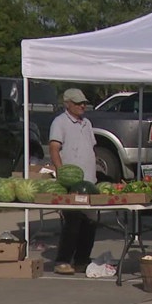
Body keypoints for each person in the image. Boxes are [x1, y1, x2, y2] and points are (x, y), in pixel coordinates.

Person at [49, 88, 97, 275]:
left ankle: (82, 260)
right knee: (73, 222)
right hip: (72, 184)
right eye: (78, 103)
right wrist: (61, 172)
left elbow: (91, 148)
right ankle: (62, 260)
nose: (82, 106)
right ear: (67, 104)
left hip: (89, 181)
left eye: (84, 103)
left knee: (90, 222)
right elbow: (54, 148)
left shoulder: (87, 123)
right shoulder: (60, 122)